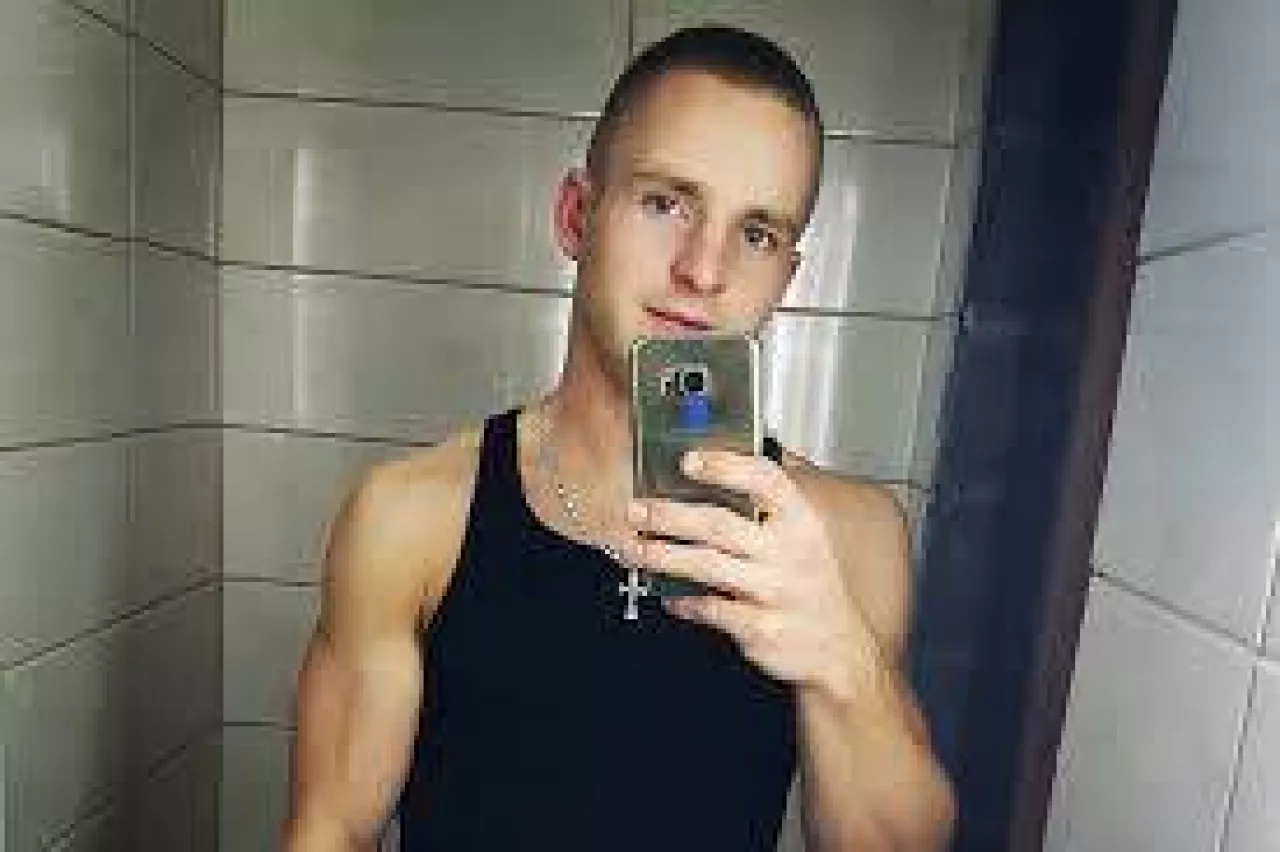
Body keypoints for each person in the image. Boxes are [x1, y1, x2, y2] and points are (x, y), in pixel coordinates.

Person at [284, 25, 955, 852]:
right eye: (666, 203)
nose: (703, 271)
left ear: (786, 277)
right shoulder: (414, 517)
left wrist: (844, 663)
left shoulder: (848, 538)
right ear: (578, 215)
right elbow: (329, 828)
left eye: (756, 233)